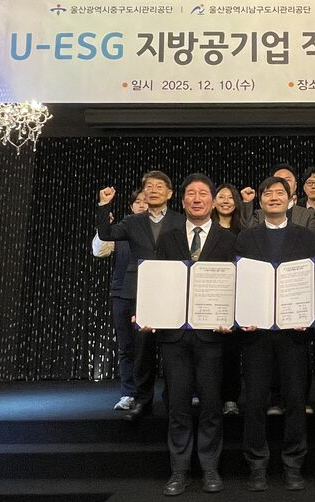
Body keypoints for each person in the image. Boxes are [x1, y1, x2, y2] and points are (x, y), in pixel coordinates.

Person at [153, 173, 237, 496]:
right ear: (183, 200)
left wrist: (232, 317)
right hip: (174, 335)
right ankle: (179, 471)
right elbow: (158, 282)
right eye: (191, 193)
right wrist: (148, 313)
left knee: (212, 404)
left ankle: (210, 468)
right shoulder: (168, 238)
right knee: (178, 404)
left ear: (213, 201)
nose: (197, 198)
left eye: (203, 194)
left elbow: (236, 284)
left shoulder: (229, 239)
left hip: (212, 335)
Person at [235, 176, 315, 492]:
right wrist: (241, 315)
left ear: (291, 200)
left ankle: (293, 464)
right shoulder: (246, 237)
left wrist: (307, 315)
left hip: (293, 333)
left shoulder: (306, 237)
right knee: (255, 401)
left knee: (296, 400)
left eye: (279, 193)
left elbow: (313, 280)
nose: (273, 197)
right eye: (267, 193)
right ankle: (257, 465)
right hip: (255, 334)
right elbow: (239, 282)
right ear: (260, 201)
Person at [96, 170, 186, 421]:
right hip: (139, 291)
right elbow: (106, 234)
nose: (153, 190)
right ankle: (142, 400)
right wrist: (104, 205)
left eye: (159, 186)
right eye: (149, 186)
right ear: (144, 193)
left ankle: (173, 400)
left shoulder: (181, 221)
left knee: (173, 348)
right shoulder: (132, 221)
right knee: (142, 349)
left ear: (170, 193)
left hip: (172, 290)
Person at [92, 189, 148, 410]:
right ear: (131, 207)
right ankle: (128, 393)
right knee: (126, 346)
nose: (142, 205)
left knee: (148, 347)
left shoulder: (157, 232)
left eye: (146, 202)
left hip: (150, 295)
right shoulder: (123, 230)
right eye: (138, 202)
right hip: (121, 293)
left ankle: (147, 393)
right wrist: (103, 225)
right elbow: (99, 251)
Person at [210, 182, 243, 415]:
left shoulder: (244, 232)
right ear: (213, 202)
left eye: (230, 197)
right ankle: (207, 395)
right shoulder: (205, 230)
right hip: (210, 296)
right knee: (209, 351)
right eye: (221, 197)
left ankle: (230, 398)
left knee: (231, 351)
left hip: (236, 298)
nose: (226, 201)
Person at [241, 163, 315, 232]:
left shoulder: (307, 215)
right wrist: (247, 202)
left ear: (295, 185)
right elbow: (248, 232)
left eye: (287, 180)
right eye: (278, 180)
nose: (283, 184)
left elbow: (310, 240)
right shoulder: (259, 214)